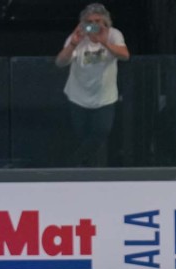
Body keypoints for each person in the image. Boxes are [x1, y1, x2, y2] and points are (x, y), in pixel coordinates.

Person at [56, 3, 128, 168]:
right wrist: (73, 44)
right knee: (82, 136)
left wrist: (104, 42)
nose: (94, 25)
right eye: (89, 22)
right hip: (78, 96)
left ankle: (74, 164)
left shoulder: (114, 35)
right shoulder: (77, 37)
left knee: (102, 131)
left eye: (98, 21)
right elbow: (60, 62)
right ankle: (85, 171)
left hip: (104, 97)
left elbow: (125, 55)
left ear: (106, 22)